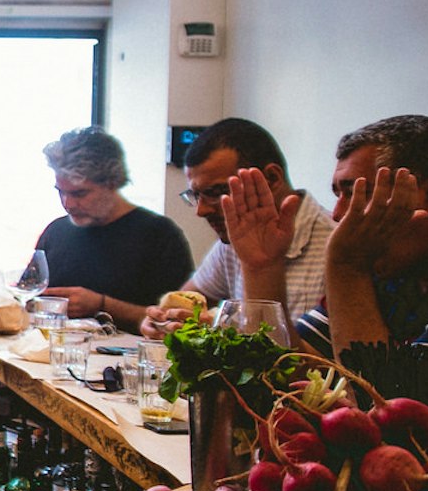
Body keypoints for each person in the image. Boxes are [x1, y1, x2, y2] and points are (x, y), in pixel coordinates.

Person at [295, 115, 428, 416]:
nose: (339, 214)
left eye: (357, 194)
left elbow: (396, 417)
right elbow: (292, 371)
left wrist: (347, 267)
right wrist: (262, 268)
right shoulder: (399, 260)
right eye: (338, 195)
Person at [141, 117, 334, 339]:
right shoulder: (232, 240)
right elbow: (186, 300)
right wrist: (162, 320)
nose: (201, 210)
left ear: (272, 178)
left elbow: (317, 365)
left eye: (216, 192)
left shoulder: (335, 245)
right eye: (195, 195)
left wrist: (218, 327)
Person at [35, 126, 194, 331]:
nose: (68, 204)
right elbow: (29, 296)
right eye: (61, 192)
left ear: (112, 183)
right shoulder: (55, 232)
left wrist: (102, 305)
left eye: (80, 193)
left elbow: (178, 322)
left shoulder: (159, 236)